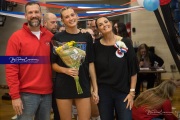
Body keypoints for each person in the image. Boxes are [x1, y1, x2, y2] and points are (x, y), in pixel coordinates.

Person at [5, 1, 53, 120]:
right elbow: (11, 68)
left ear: (41, 14)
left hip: (47, 94)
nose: (33, 15)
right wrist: (15, 96)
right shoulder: (16, 38)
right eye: (30, 12)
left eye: (36, 12)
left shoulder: (50, 37)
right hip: (26, 94)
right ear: (26, 16)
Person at [50, 7, 99, 120]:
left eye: (72, 15)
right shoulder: (57, 38)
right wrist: (66, 70)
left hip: (83, 84)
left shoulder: (86, 36)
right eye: (66, 17)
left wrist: (95, 88)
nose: (71, 18)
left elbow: (91, 63)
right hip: (63, 86)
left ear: (77, 16)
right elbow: (53, 64)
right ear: (62, 20)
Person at [93, 16, 139, 120]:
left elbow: (133, 69)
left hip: (123, 91)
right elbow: (93, 71)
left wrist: (132, 92)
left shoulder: (126, 42)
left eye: (106, 22)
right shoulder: (96, 46)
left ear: (111, 23)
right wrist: (95, 90)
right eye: (100, 24)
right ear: (98, 29)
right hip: (104, 92)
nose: (104, 25)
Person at [43, 12, 60, 120]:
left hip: (57, 80)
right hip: (44, 81)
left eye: (56, 22)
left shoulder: (57, 37)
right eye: (52, 22)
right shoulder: (39, 37)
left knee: (58, 111)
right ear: (45, 23)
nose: (55, 25)